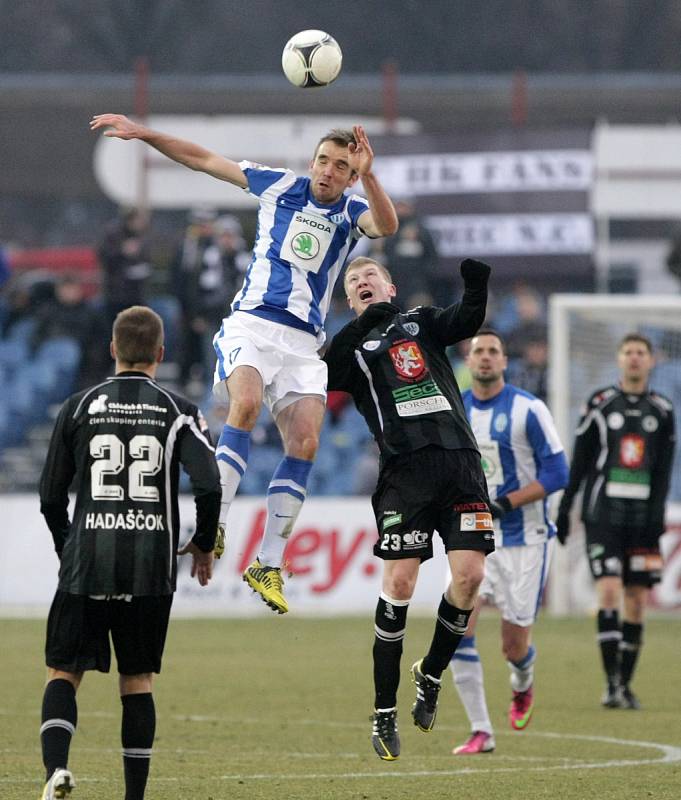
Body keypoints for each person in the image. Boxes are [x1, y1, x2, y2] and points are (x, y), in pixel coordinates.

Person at [90, 113, 398, 615]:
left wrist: (370, 175)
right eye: (323, 160)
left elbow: (386, 226)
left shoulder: (351, 209)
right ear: (312, 161)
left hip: (302, 344)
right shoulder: (278, 186)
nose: (328, 171)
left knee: (306, 442)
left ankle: (268, 563)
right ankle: (213, 526)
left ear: (349, 173)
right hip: (252, 323)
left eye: (341, 166)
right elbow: (204, 160)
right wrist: (145, 134)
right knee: (247, 405)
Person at [37, 305, 221, 800]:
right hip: (148, 566)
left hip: (86, 561)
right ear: (161, 353)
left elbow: (51, 496)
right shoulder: (178, 410)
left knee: (64, 671)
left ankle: (56, 771)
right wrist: (203, 543)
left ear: (113, 349)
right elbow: (209, 483)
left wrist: (66, 546)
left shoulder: (78, 406)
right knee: (137, 681)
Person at [323, 255, 494, 761]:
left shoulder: (422, 321)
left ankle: (431, 673)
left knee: (469, 577)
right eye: (354, 281)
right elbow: (324, 376)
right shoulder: (351, 347)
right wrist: (358, 327)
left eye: (369, 274)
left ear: (389, 284)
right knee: (399, 584)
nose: (362, 281)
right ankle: (382, 710)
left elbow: (465, 319)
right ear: (350, 299)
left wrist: (475, 283)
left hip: (460, 463)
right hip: (405, 474)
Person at [448, 329, 568, 755]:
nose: (484, 357)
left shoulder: (529, 410)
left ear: (504, 361)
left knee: (512, 645)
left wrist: (507, 503)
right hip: (475, 535)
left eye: (492, 351)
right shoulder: (457, 410)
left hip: (526, 537)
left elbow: (558, 473)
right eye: (477, 351)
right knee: (459, 626)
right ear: (467, 359)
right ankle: (481, 730)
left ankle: (523, 680)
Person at [556, 333, 676, 710]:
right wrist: (565, 507)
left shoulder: (663, 409)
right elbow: (581, 461)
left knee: (637, 602)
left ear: (651, 360)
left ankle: (626, 682)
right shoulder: (600, 404)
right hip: (603, 514)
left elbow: (663, 470)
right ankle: (610, 684)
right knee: (608, 592)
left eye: (641, 352)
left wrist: (658, 516)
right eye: (629, 352)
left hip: (643, 520)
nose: (635, 359)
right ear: (619, 359)